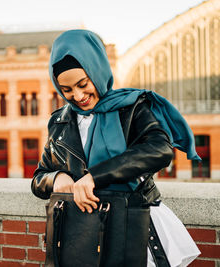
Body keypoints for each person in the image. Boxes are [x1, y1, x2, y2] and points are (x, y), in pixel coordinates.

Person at [32, 29, 200, 267]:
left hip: (133, 224)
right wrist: (56, 178)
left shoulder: (132, 107)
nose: (78, 96)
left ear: (96, 70)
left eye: (83, 84)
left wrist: (94, 177)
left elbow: (160, 150)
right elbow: (39, 177)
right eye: (67, 90)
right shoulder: (59, 121)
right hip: (84, 233)